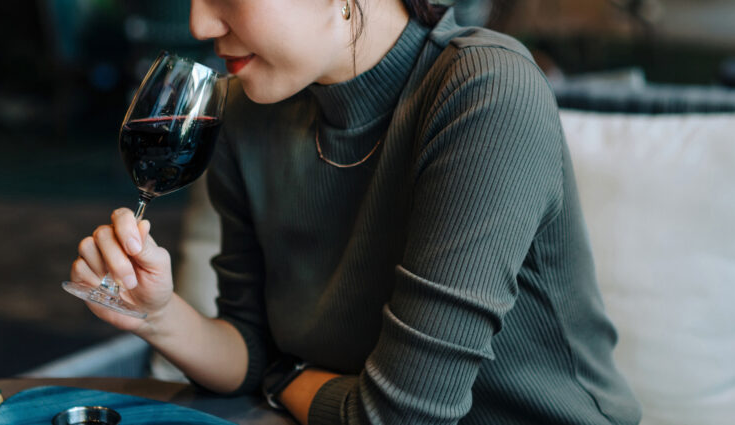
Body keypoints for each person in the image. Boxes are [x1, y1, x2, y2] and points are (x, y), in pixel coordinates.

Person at [69, 0, 643, 423]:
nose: (199, 24)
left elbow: (399, 419)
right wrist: (156, 315)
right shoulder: (245, 115)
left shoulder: (485, 92)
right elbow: (251, 348)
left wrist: (285, 378)